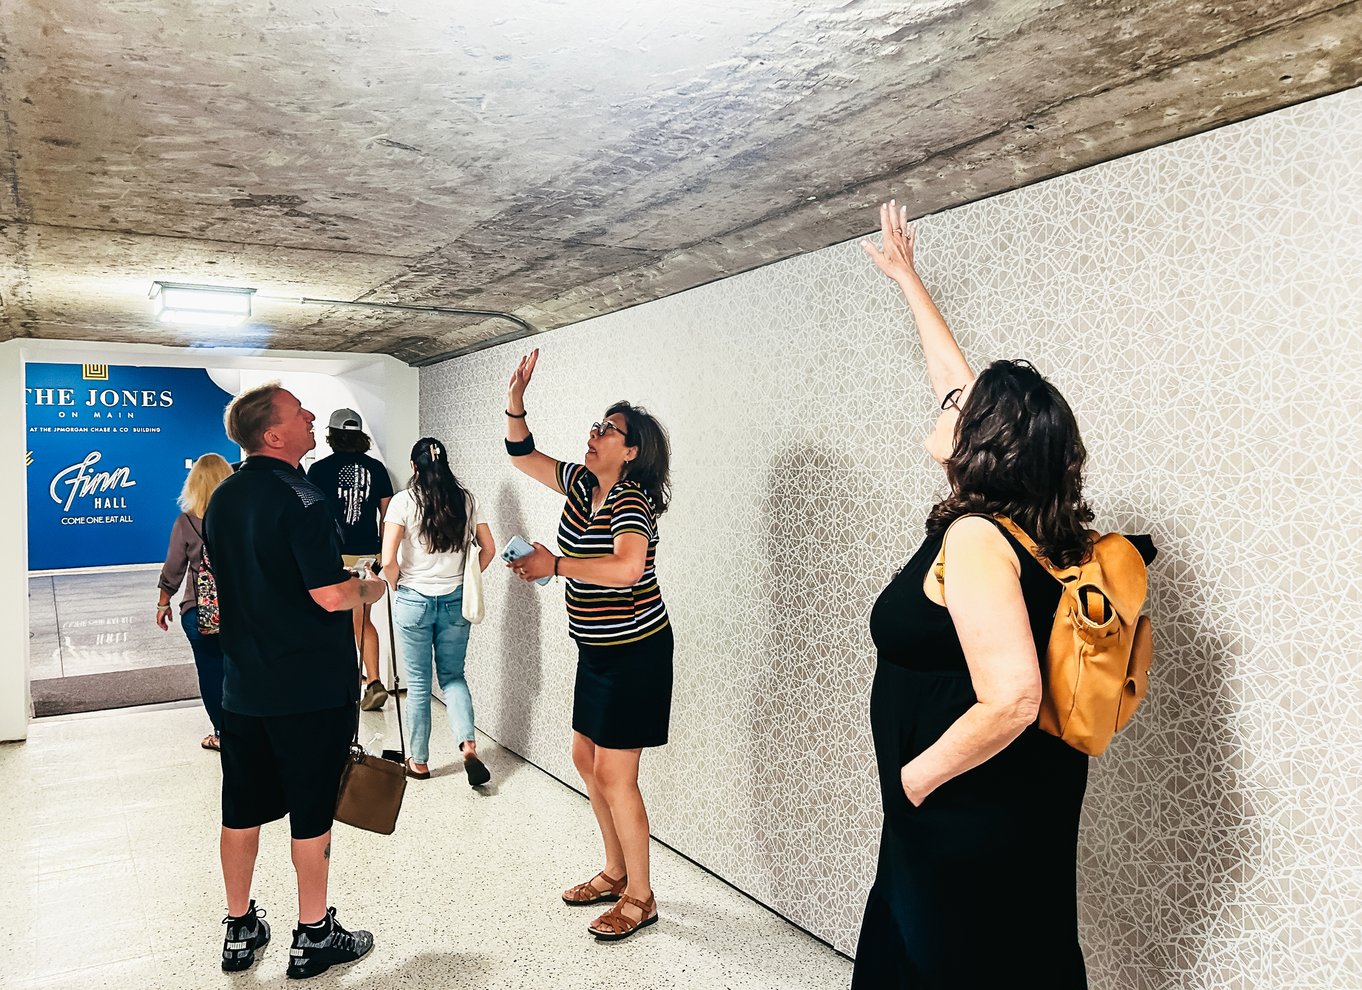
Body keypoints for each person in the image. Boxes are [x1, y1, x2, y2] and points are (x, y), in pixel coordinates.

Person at [851, 201, 1093, 988]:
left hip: (963, 808)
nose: (945, 400)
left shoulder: (978, 538)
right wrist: (908, 279)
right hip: (997, 802)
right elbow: (957, 381)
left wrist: (913, 780)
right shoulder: (1023, 520)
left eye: (960, 408)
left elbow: (1014, 699)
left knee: (949, 963)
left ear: (983, 442)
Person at [205, 382, 386, 979]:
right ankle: (313, 934)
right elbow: (330, 594)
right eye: (297, 410)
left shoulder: (224, 496)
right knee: (312, 812)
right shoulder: (304, 496)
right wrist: (372, 586)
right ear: (273, 434)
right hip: (308, 687)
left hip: (243, 687)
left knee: (240, 809)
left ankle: (239, 929)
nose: (310, 415)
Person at [503, 349, 674, 942]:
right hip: (596, 649)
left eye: (609, 430)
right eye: (597, 425)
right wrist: (516, 400)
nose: (595, 434)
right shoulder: (580, 484)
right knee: (584, 757)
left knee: (616, 773)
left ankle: (641, 897)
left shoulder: (631, 502)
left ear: (632, 452)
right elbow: (522, 454)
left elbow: (627, 568)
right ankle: (615, 870)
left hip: (637, 654)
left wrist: (554, 564)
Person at [380, 437, 496, 785]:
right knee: (453, 677)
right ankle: (468, 746)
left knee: (418, 683)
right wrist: (467, 580)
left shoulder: (403, 501)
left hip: (413, 600)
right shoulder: (466, 500)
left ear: (413, 467)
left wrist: (397, 585)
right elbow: (488, 549)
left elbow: (387, 559)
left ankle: (419, 762)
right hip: (455, 601)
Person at [306, 408, 394, 712]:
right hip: (368, 555)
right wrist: (382, 553)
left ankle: (339, 685)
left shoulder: (318, 470)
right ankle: (374, 681)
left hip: (334, 555)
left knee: (330, 620)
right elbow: (388, 515)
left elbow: (312, 517)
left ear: (332, 435)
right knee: (362, 620)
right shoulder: (377, 469)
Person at [155, 452, 233, 751]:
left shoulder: (186, 521)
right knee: (242, 671)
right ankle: (250, 731)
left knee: (211, 672)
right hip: (244, 610)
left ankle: (222, 734)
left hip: (200, 611)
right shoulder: (242, 518)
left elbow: (173, 568)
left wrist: (163, 603)